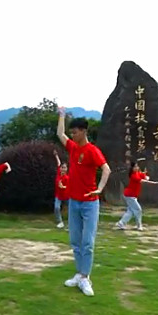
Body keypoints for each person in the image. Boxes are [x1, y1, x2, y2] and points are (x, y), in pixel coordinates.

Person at [57, 107, 111, 297]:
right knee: (75, 241)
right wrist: (61, 115)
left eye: (75, 132)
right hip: (74, 202)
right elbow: (60, 134)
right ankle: (80, 274)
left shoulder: (92, 151)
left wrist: (100, 188)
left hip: (90, 203)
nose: (72, 135)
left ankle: (85, 277)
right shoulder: (73, 148)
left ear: (84, 131)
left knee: (87, 242)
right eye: (72, 132)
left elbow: (106, 169)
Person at [115, 160, 158, 231]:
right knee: (138, 209)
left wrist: (145, 175)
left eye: (137, 166)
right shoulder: (133, 176)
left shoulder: (138, 173)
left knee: (131, 211)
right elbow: (144, 181)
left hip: (132, 196)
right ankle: (139, 226)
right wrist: (155, 183)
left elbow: (146, 177)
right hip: (129, 195)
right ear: (132, 168)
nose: (137, 168)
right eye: (135, 167)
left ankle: (121, 223)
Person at [53, 149, 70, 229]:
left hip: (66, 196)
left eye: (64, 168)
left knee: (72, 209)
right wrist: (56, 155)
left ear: (66, 169)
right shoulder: (58, 174)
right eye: (62, 167)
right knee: (57, 208)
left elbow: (70, 187)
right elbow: (58, 163)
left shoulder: (67, 178)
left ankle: (72, 222)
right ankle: (60, 222)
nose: (63, 169)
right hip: (58, 196)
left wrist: (63, 187)